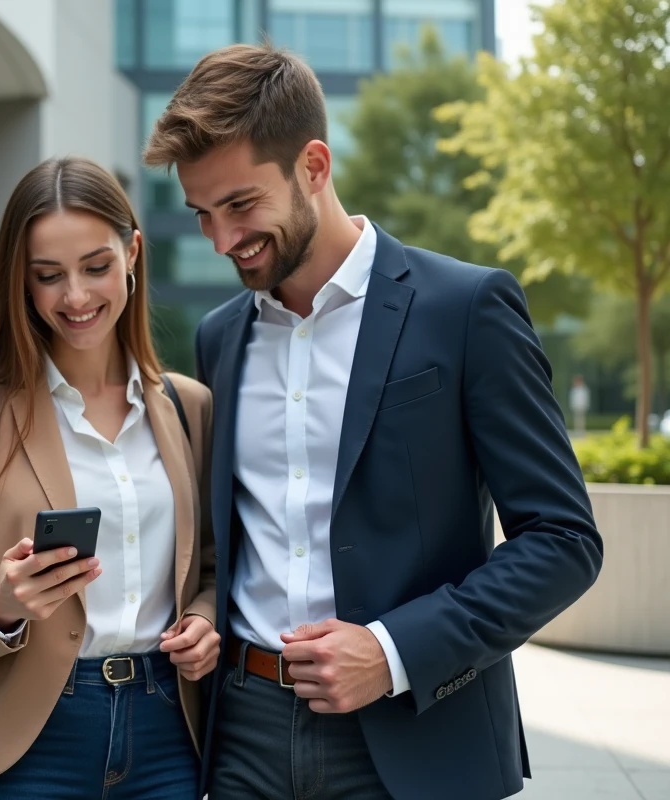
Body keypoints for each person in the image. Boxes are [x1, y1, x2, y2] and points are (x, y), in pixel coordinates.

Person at [143, 44, 604, 800]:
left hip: (416, 730)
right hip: (243, 736)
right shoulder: (220, 337)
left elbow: (563, 541)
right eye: (202, 216)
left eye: (241, 205)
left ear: (314, 167)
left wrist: (393, 652)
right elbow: (230, 546)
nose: (222, 241)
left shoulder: (466, 308)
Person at [0, 156, 221, 799]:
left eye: (96, 267)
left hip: (167, 734)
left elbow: (212, 574)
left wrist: (204, 620)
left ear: (133, 252)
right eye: (48, 276)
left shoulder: (188, 407)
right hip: (29, 742)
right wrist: (3, 603)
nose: (77, 297)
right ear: (22, 284)